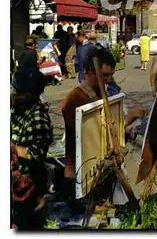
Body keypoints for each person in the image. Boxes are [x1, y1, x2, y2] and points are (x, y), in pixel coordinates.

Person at [61, 46, 145, 187]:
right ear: (88, 71)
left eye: (111, 75)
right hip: (82, 172)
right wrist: (127, 120)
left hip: (101, 169)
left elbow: (107, 129)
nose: (108, 80)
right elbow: (94, 136)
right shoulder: (74, 99)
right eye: (104, 75)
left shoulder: (101, 93)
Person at [11, 69, 52, 230]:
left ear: (32, 94)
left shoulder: (38, 117)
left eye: (19, 92)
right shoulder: (19, 110)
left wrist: (12, 149)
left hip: (29, 187)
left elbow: (37, 154)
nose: (14, 94)